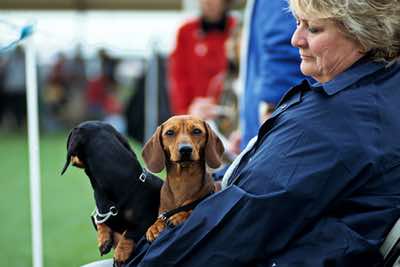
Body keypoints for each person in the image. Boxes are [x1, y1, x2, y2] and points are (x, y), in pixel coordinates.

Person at [127, 0, 400, 266]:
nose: (295, 38)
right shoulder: (379, 91)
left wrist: (140, 255)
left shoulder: (330, 122)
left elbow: (230, 228)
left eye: (314, 29)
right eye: (297, 23)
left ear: (363, 36)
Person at [167, 0, 236, 115]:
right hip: (196, 115)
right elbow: (178, 77)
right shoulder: (186, 32)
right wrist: (187, 111)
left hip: (229, 114)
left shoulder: (236, 30)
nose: (208, 2)